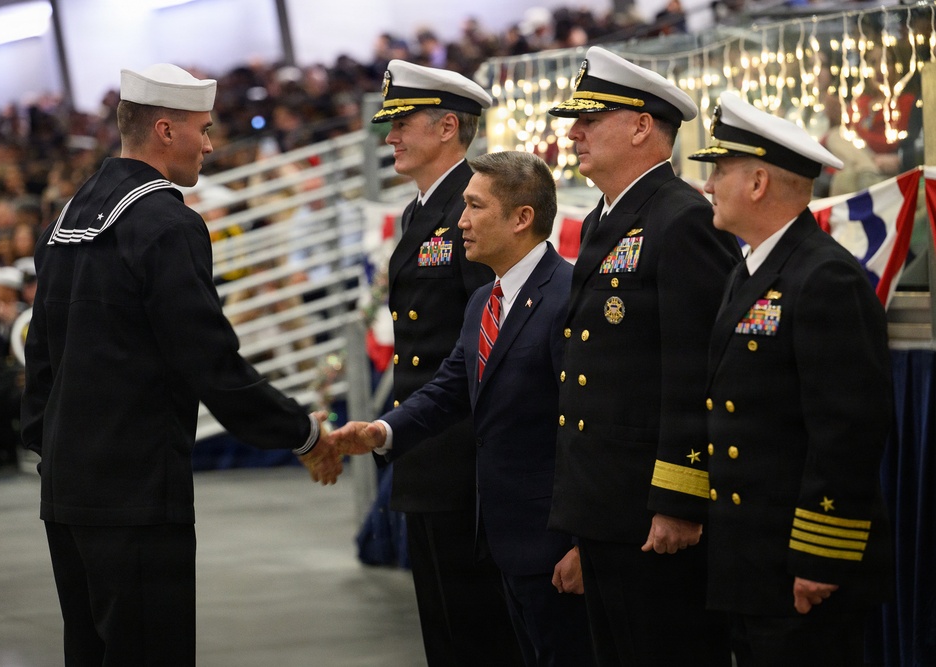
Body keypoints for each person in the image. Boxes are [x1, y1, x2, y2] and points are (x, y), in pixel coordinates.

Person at [19, 63, 340, 667]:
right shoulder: (166, 224)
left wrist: (51, 453)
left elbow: (41, 360)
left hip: (67, 490)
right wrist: (303, 434)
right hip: (137, 491)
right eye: (204, 128)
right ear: (165, 131)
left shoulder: (68, 219)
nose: (212, 144)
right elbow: (210, 362)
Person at [333, 151, 592, 666]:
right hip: (500, 539)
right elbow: (448, 389)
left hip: (554, 547)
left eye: (475, 206)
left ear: (522, 218)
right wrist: (379, 432)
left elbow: (584, 431)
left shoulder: (567, 297)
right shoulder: (483, 302)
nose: (461, 221)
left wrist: (582, 541)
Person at [545, 46, 740, 665]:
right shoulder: (613, 218)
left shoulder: (681, 219)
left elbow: (695, 372)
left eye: (590, 118)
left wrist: (679, 500)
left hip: (651, 510)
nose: (573, 132)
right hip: (607, 503)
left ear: (640, 127)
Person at [688, 91, 894, 667]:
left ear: (757, 183)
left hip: (797, 563)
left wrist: (819, 558)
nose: (707, 186)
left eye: (720, 171)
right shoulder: (752, 268)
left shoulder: (825, 277)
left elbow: (848, 432)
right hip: (750, 560)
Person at [369, 59, 523, 665]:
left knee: (476, 633)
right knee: (444, 631)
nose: (391, 137)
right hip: (427, 454)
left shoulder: (472, 206)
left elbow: (489, 344)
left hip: (464, 461)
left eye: (403, 123)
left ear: (447, 128)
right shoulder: (420, 212)